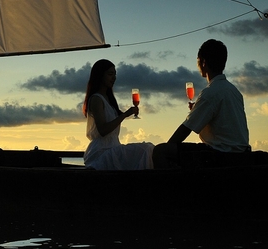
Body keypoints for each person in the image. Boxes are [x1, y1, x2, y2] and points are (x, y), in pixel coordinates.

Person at [153, 39, 250, 168]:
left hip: (220, 155)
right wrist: (198, 110)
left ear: (203, 62)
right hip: (241, 155)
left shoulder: (210, 93)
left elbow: (186, 129)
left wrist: (169, 146)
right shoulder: (234, 91)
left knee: (160, 151)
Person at [83, 59, 154, 170]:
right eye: (110, 74)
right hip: (102, 152)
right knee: (146, 149)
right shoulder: (96, 99)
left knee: (150, 149)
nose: (114, 78)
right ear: (100, 75)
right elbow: (102, 130)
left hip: (113, 147)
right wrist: (125, 115)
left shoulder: (109, 99)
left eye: (115, 74)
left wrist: (127, 114)